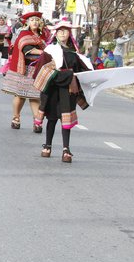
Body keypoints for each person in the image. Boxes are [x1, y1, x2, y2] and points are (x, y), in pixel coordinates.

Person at [32, 19, 92, 162]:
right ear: (56, 33)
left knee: (65, 120)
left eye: (65, 30)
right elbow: (40, 70)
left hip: (68, 90)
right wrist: (61, 74)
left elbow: (83, 71)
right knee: (52, 118)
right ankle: (47, 145)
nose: (63, 33)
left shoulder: (74, 53)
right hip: (52, 89)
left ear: (69, 33)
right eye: (60, 30)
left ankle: (66, 149)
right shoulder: (49, 50)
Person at [1, 11, 47, 131]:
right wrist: (43, 52)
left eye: (37, 20)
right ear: (27, 22)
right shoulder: (24, 34)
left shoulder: (43, 36)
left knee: (35, 97)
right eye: (32, 20)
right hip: (24, 69)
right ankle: (16, 117)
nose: (35, 22)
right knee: (20, 95)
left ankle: (37, 121)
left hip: (37, 70)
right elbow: (27, 49)